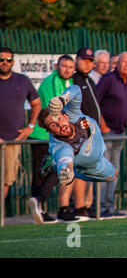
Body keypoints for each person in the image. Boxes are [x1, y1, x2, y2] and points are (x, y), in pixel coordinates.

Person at [28, 84, 117, 224]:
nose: (59, 125)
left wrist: (62, 99)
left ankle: (58, 171)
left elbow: (76, 90)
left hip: (98, 148)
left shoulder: (72, 115)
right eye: (53, 125)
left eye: (59, 119)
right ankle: (63, 173)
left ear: (64, 115)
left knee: (111, 174)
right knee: (110, 175)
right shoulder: (60, 145)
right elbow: (64, 156)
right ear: (51, 132)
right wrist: (65, 167)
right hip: (91, 165)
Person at [28, 54, 76, 223]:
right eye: (64, 66)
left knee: (58, 169)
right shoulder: (52, 81)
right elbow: (54, 111)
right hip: (44, 135)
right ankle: (40, 206)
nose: (67, 70)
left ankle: (40, 203)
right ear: (57, 66)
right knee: (44, 171)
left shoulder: (68, 83)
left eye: (71, 67)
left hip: (55, 136)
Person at [61, 46, 101, 221]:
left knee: (83, 171)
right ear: (77, 60)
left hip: (89, 135)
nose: (87, 63)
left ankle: (81, 207)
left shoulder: (89, 81)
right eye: (84, 60)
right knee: (70, 170)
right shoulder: (75, 81)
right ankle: (64, 207)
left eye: (90, 61)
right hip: (77, 133)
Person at [96, 51, 127, 218]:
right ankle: (101, 208)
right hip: (106, 132)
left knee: (114, 172)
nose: (126, 64)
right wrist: (102, 125)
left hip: (120, 132)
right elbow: (95, 102)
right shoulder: (108, 79)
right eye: (123, 61)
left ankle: (110, 208)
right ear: (117, 63)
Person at [0, 47, 41, 201]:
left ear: (13, 62)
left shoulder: (22, 81)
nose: (4, 62)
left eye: (8, 60)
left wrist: (30, 126)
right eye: (1, 59)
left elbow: (36, 103)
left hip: (12, 140)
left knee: (5, 181)